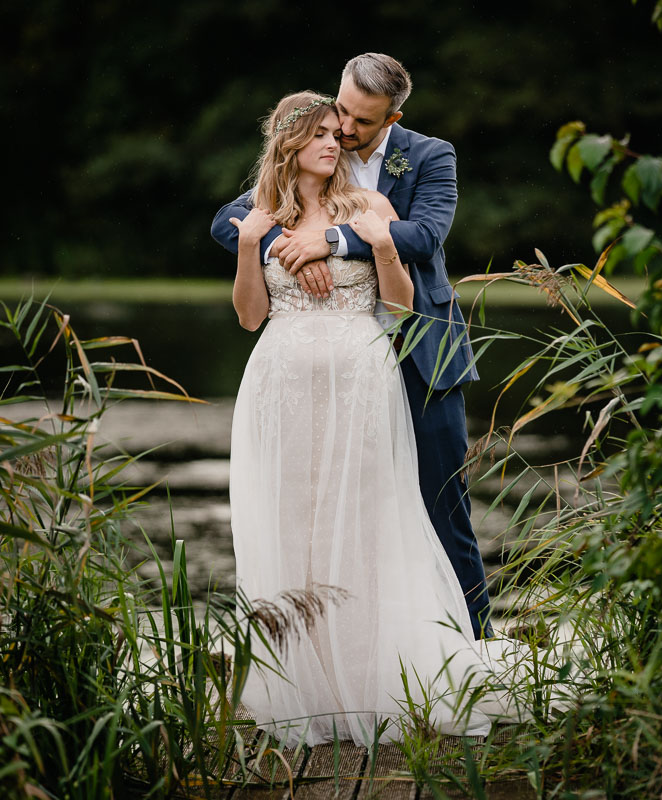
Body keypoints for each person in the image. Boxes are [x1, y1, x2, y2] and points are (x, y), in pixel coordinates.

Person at [226, 90, 506, 747]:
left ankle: (374, 676)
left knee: (366, 515)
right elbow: (249, 316)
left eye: (338, 132)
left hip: (361, 380)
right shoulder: (258, 217)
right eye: (321, 133)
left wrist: (375, 246)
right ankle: (309, 685)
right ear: (289, 142)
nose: (336, 142)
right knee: (295, 519)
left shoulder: (370, 206)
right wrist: (251, 246)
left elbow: (402, 305)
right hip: (281, 384)